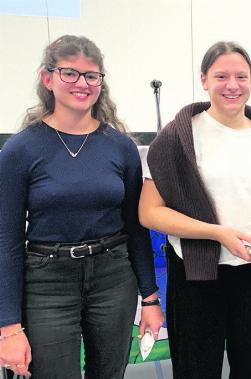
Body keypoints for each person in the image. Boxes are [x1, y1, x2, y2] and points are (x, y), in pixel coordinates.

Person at [0, 35, 162, 378]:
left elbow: (136, 229)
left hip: (113, 278)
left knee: (109, 372)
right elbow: (7, 241)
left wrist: (150, 298)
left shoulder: (120, 147)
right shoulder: (20, 150)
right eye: (69, 73)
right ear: (48, 79)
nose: (82, 83)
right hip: (47, 282)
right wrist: (9, 328)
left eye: (92, 76)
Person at [138, 41, 251, 379]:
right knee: (196, 370)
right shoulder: (176, 138)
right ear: (204, 80)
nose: (232, 85)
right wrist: (217, 232)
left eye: (241, 76)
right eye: (221, 76)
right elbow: (149, 212)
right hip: (196, 278)